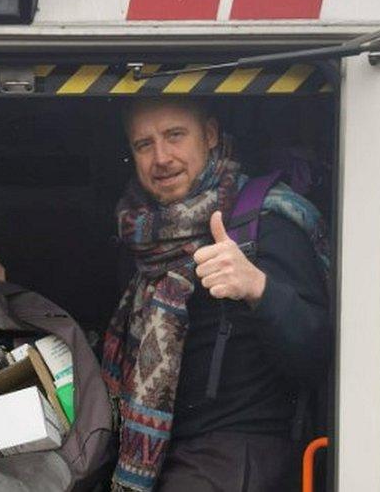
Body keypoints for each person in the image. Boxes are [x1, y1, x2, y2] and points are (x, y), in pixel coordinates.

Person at [102, 99, 330, 491]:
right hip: (163, 452)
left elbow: (317, 357)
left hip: (241, 454)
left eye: (175, 136)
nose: (161, 157)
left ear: (209, 136)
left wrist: (260, 289)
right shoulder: (140, 236)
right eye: (144, 144)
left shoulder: (267, 222)